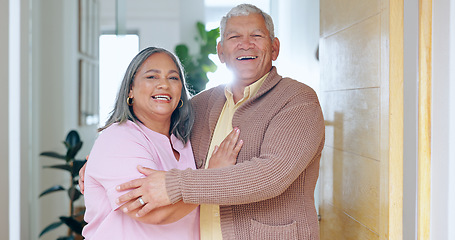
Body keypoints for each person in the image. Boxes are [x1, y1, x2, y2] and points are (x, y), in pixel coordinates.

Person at [81, 3, 325, 239]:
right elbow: (135, 142)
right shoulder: (200, 106)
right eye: (234, 37)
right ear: (220, 51)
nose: (245, 44)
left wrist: (177, 185)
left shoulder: (297, 100)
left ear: (274, 48)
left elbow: (271, 176)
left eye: (256, 35)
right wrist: (94, 169)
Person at [81, 47, 242, 239]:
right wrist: (212, 177)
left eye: (173, 78)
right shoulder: (119, 137)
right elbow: (152, 212)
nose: (164, 85)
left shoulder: (183, 142)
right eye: (152, 77)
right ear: (130, 89)